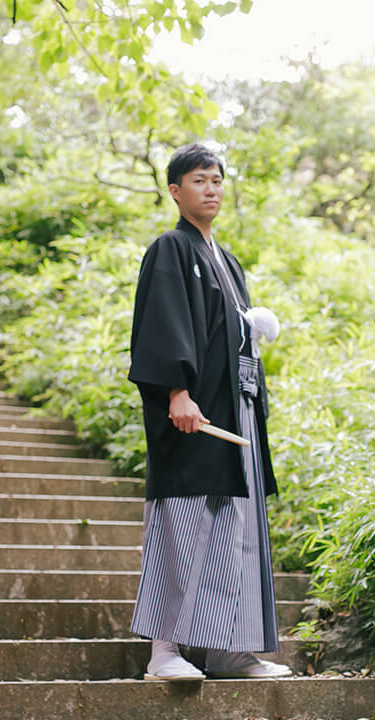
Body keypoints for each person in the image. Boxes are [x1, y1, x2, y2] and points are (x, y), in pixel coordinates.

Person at [128, 143, 292, 682]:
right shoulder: (170, 249)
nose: (212, 188)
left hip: (234, 413)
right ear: (175, 191)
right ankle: (164, 650)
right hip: (192, 414)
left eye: (218, 179)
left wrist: (251, 324)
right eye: (199, 180)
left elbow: (225, 334)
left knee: (237, 529)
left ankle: (231, 650)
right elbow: (164, 323)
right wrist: (176, 391)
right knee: (186, 519)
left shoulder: (227, 259)